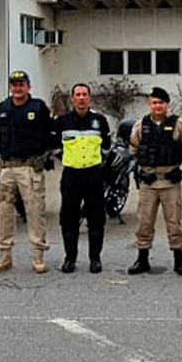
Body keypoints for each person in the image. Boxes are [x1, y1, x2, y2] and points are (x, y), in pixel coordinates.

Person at [0, 70, 53, 274]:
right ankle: (4, 256)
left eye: (21, 84)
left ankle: (37, 256)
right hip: (7, 168)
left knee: (35, 212)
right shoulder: (3, 108)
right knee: (4, 212)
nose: (17, 88)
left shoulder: (38, 107)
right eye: (14, 84)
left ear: (29, 86)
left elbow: (49, 134)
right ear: (10, 87)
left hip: (30, 168)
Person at [128, 87, 182, 275]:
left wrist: (175, 160)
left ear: (167, 105)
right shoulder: (140, 125)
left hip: (170, 182)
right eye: (154, 102)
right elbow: (133, 148)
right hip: (148, 183)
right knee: (144, 222)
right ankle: (142, 260)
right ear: (149, 104)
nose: (158, 106)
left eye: (161, 103)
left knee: (174, 223)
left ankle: (179, 260)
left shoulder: (179, 125)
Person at [53, 82, 111, 274]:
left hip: (93, 174)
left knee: (96, 218)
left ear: (89, 98)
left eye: (84, 94)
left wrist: (97, 161)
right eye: (77, 94)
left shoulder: (99, 120)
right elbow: (55, 147)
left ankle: (95, 259)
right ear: (72, 98)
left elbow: (106, 147)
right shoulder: (62, 121)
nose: (81, 98)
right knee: (69, 218)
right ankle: (70, 258)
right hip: (71, 174)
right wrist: (69, 160)